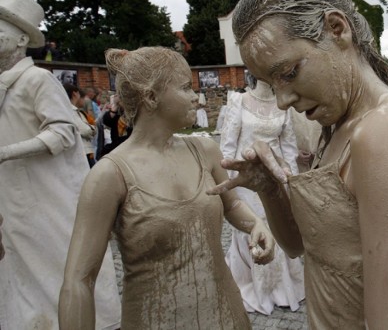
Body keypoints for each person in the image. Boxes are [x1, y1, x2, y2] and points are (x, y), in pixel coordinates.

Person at [210, 0, 388, 329]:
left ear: (337, 29)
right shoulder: (336, 127)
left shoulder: (385, 132)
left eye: (288, 73)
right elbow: (300, 247)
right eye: (272, 85)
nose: (283, 100)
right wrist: (271, 189)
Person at [59, 47, 275, 329]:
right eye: (185, 88)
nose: (196, 97)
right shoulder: (110, 175)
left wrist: (256, 224)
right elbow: (79, 280)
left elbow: (231, 204)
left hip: (226, 315)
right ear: (151, 96)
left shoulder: (205, 150)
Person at [0, 0, 121, 329]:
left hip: (47, 195)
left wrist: (7, 153)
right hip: (15, 198)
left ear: (22, 38)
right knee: (23, 268)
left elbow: (63, 132)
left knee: (59, 259)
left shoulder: (36, 79)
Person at [220, 75, 305, 315]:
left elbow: (288, 147)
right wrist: (231, 184)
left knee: (277, 227)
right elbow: (227, 145)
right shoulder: (239, 101)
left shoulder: (283, 105)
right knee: (254, 226)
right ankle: (256, 287)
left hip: (275, 177)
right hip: (247, 180)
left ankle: (281, 287)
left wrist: (291, 181)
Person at [64, 83, 98, 167]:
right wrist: (93, 128)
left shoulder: (65, 110)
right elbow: (86, 131)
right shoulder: (72, 111)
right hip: (83, 151)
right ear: (75, 94)